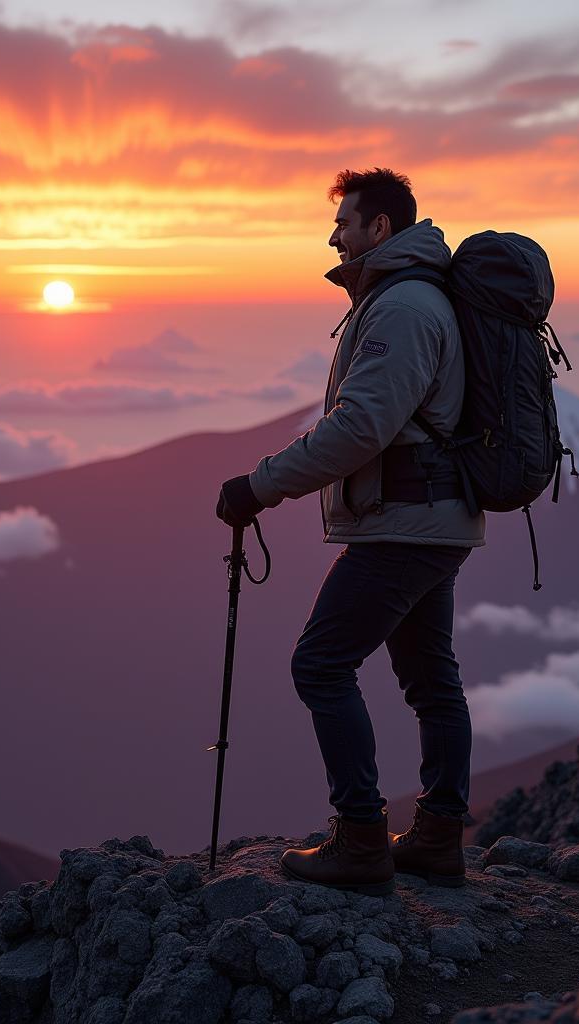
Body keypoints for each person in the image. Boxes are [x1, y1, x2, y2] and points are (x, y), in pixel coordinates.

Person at [215, 167, 486, 895]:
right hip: (432, 517)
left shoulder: (402, 307)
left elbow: (363, 426)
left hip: (404, 523)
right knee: (432, 678)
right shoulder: (410, 297)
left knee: (321, 664)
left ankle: (362, 840)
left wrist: (260, 486)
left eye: (346, 222)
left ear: (381, 230)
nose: (333, 234)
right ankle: (435, 839)